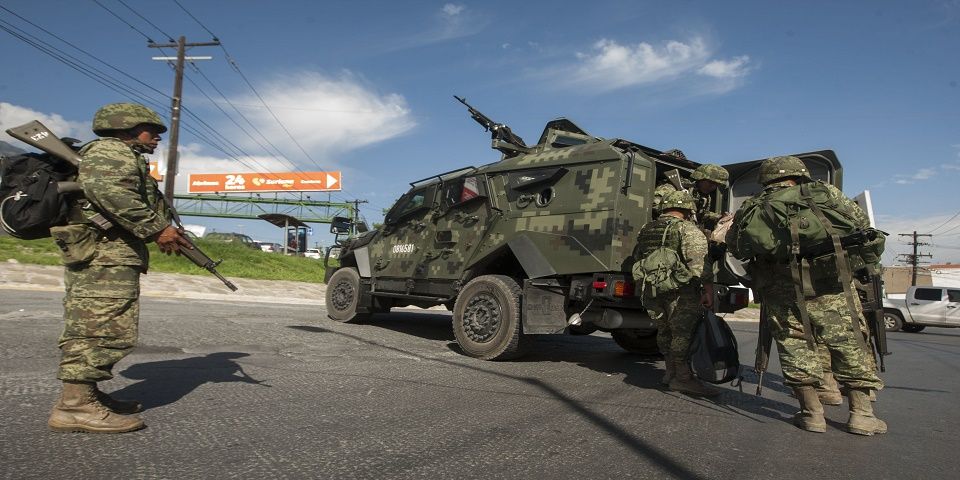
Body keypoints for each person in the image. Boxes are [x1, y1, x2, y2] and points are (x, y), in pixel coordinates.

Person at [47, 102, 191, 433]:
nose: (156, 137)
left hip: (110, 254)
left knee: (102, 324)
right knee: (102, 328)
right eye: (150, 130)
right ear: (125, 126)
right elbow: (110, 192)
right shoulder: (111, 151)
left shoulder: (122, 155)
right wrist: (157, 229)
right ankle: (75, 406)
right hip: (105, 256)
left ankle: (86, 394)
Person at [726, 155, 886, 435]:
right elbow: (861, 223)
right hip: (830, 284)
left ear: (766, 179)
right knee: (848, 343)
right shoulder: (826, 193)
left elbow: (738, 247)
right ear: (800, 175)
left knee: (795, 346)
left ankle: (812, 415)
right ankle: (862, 415)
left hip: (780, 288)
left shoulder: (754, 206)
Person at [634, 190, 720, 397]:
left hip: (654, 288)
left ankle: (670, 372)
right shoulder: (687, 229)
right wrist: (708, 291)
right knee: (683, 333)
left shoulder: (647, 228)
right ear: (688, 209)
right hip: (681, 290)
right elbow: (700, 264)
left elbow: (639, 255)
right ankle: (683, 378)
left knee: (664, 331)